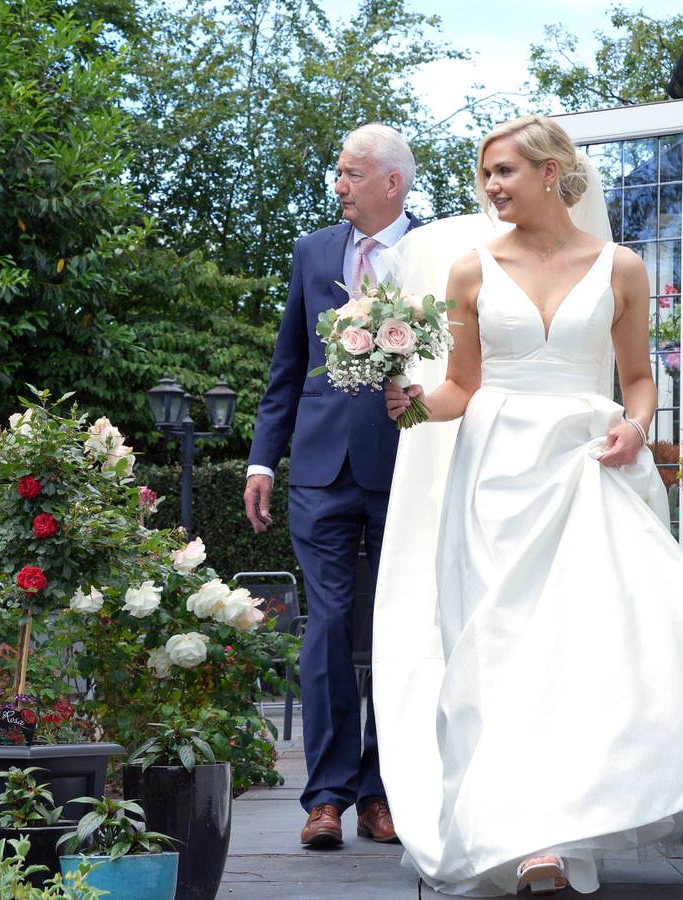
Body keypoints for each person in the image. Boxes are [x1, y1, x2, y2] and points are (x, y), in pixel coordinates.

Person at [375, 115, 683, 896]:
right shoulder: (470, 272)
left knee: (580, 658)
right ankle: (520, 834)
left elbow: (638, 380)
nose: (492, 187)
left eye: (504, 171)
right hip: (493, 483)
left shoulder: (622, 268)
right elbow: (461, 390)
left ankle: (553, 843)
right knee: (500, 656)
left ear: (550, 172)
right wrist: (407, 403)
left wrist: (635, 430)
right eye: (486, 175)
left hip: (584, 472)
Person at [245, 123, 422, 849]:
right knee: (323, 629)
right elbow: (288, 362)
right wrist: (263, 459)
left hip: (410, 465)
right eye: (337, 174)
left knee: (398, 634)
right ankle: (325, 797)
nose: (337, 186)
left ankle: (385, 793)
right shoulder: (312, 251)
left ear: (392, 183)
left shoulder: (437, 253)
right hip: (318, 469)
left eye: (350, 174)